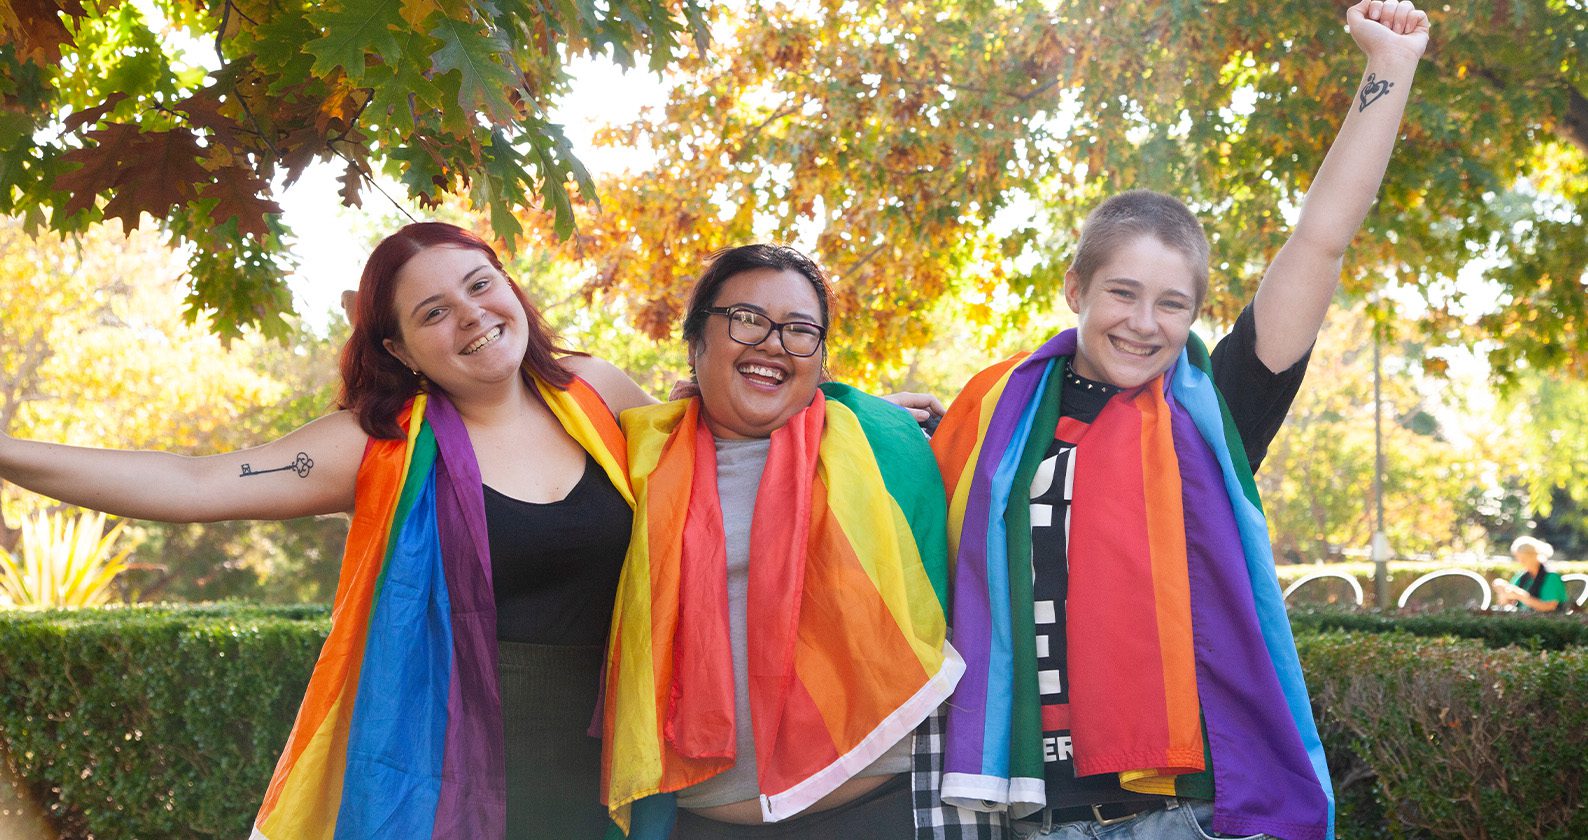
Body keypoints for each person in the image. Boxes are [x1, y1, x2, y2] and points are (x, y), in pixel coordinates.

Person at [919, 3, 1431, 839]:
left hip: (1181, 815)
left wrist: (1391, 66)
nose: (1144, 323)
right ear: (1077, 290)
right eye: (1122, 293)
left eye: (1173, 303)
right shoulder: (990, 425)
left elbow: (1320, 241)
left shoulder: (1210, 409)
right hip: (1027, 815)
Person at [0, 222, 658, 838]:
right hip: (449, 774)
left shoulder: (601, 393)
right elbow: (193, 484)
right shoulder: (380, 445)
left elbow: (715, 490)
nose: (470, 314)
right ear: (400, 350)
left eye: (480, 283)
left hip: (628, 752)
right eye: (432, 311)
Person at [599, 244, 964, 838]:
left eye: (799, 330)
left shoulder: (884, 447)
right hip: (700, 822)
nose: (772, 342)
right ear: (696, 343)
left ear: (820, 362)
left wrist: (879, 418)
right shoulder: (631, 459)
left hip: (876, 812)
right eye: (746, 319)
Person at [1492, 536, 1567, 612]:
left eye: (1523, 559)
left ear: (1534, 556)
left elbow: (1550, 607)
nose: (1520, 562)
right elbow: (1507, 601)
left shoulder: (1551, 577)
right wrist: (1503, 591)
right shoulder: (1522, 576)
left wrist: (1521, 596)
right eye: (1518, 559)